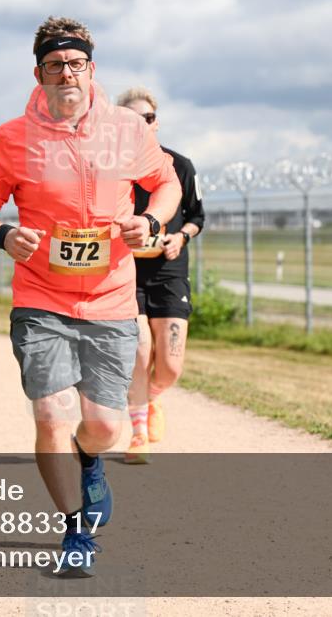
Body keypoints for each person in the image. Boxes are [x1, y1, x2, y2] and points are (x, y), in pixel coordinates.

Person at [0, 17, 181, 576]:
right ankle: (74, 529)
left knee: (105, 427)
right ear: (38, 73)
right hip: (41, 297)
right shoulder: (11, 138)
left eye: (76, 63)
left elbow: (167, 182)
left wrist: (152, 223)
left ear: (92, 69)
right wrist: (6, 235)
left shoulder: (128, 131)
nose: (67, 74)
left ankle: (91, 461)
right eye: (55, 65)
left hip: (110, 298)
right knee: (50, 412)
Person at [117, 87, 205, 464]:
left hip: (169, 271)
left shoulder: (180, 166)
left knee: (169, 365)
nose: (142, 125)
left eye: (148, 118)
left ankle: (151, 400)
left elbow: (197, 216)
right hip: (124, 271)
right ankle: (138, 433)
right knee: (138, 350)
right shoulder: (112, 169)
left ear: (157, 121)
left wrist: (180, 237)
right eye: (133, 119)